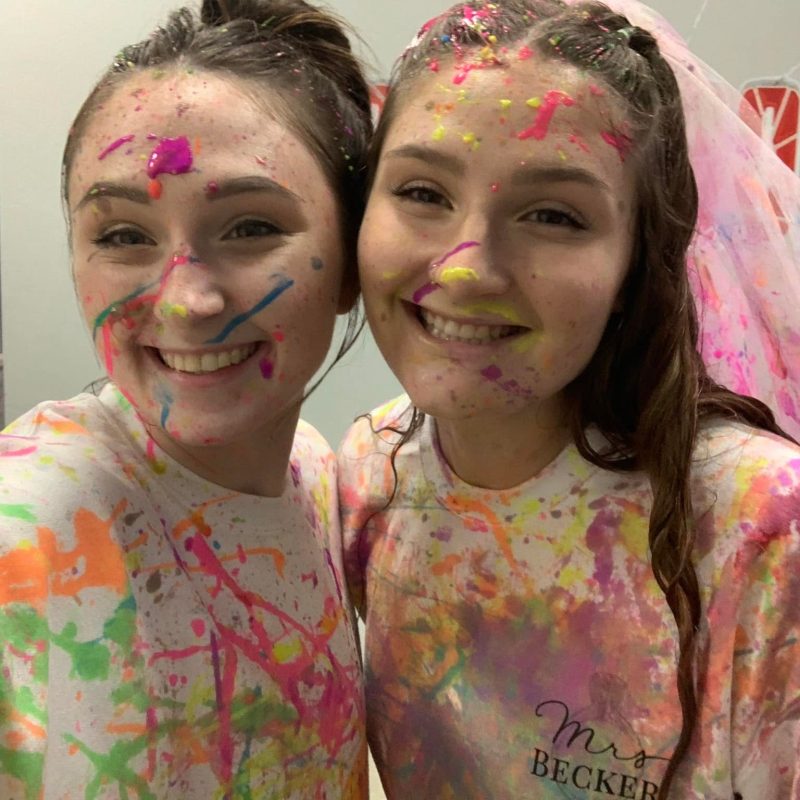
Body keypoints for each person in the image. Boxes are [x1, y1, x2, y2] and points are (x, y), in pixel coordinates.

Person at [338, 1, 800, 798]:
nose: (464, 270)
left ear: (634, 264)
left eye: (553, 214)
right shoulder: (367, 475)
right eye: (421, 192)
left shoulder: (762, 530)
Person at [0, 1, 371, 797]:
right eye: (124, 235)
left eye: (249, 228)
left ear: (352, 263)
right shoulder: (22, 528)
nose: (186, 302)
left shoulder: (314, 475)